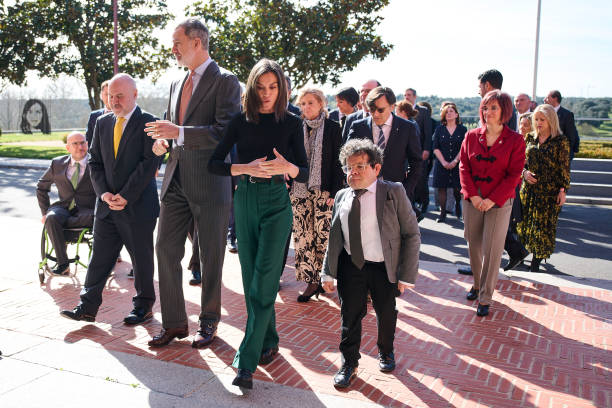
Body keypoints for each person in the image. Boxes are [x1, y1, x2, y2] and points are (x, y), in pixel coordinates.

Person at [208, 58, 308, 389]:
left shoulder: (293, 123)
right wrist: (244, 169)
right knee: (252, 278)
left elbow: (304, 173)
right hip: (245, 200)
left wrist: (287, 167)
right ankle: (269, 339)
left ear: (281, 89)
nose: (267, 93)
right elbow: (215, 164)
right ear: (252, 88)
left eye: (273, 87)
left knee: (264, 280)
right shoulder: (240, 121)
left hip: (277, 203)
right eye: (261, 87)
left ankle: (245, 362)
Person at [146, 19, 241, 349]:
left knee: (212, 257)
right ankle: (174, 323)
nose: (172, 48)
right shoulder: (175, 83)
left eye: (177, 42)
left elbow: (224, 132)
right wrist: (164, 143)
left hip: (211, 183)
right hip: (175, 182)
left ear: (198, 42)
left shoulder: (226, 81)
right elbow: (172, 132)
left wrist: (179, 134)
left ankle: (209, 321)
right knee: (165, 249)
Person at [60, 73, 160, 325]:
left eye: (120, 96)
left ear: (134, 95)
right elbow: (94, 162)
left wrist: (125, 196)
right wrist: (104, 194)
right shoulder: (103, 123)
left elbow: (149, 164)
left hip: (137, 207)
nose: (114, 101)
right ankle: (87, 306)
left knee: (141, 259)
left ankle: (143, 307)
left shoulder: (150, 123)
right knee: (99, 259)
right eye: (110, 96)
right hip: (105, 207)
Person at [321, 138, 420, 389]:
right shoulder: (342, 195)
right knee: (350, 316)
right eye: (348, 167)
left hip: (382, 266)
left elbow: (411, 233)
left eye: (359, 166)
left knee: (386, 313)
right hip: (351, 266)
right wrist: (327, 272)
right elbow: (334, 238)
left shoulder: (393, 192)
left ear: (376, 168)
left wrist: (406, 275)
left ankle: (386, 351)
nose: (352, 172)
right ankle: (349, 363)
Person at [459, 90, 525, 317]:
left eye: (493, 108)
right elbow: (464, 167)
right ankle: (477, 284)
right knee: (474, 245)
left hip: (499, 202)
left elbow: (514, 175)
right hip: (472, 200)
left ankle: (485, 296)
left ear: (504, 111)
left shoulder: (516, 140)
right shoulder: (470, 136)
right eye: (485, 108)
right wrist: (474, 196)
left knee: (493, 250)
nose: (488, 112)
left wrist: (491, 200)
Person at [292, 87, 343, 302]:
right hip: (299, 190)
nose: (306, 107)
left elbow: (338, 162)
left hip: (324, 191)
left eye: (310, 103)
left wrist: (334, 190)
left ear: (321, 104)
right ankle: (311, 282)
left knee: (324, 238)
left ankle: (327, 279)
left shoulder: (332, 127)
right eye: (302, 103)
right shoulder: (296, 127)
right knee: (304, 237)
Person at [346, 86, 422, 203]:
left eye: (380, 110)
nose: (375, 114)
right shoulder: (358, 126)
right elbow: (346, 158)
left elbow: (416, 162)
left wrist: (405, 190)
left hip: (394, 194)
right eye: (372, 109)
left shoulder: (407, 128)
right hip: (362, 192)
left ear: (392, 106)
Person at [517, 104, 570, 272]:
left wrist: (563, 190)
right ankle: (520, 256)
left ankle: (536, 262)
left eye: (542, 119)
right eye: (536, 119)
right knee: (524, 225)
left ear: (551, 120)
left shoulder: (561, 141)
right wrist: (524, 173)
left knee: (543, 228)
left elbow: (564, 168)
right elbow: (520, 163)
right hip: (529, 190)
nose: (538, 123)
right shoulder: (530, 138)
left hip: (549, 192)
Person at [36, 132, 95, 275]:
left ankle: (100, 264)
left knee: (99, 217)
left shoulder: (96, 163)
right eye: (75, 144)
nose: (80, 147)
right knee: (51, 218)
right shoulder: (57, 164)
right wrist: (45, 212)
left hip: (88, 209)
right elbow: (41, 187)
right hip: (64, 207)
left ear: (87, 144)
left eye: (82, 143)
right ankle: (63, 264)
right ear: (68, 147)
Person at [502, 112, 533, 271]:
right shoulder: (515, 140)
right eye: (521, 125)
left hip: (521, 188)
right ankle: (517, 251)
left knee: (505, 224)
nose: (522, 128)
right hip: (512, 185)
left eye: (526, 125)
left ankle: (518, 251)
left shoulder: (532, 144)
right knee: (504, 225)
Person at [432, 103, 467, 223]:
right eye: (446, 112)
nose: (449, 113)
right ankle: (442, 213)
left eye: (451, 111)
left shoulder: (463, 129)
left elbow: (464, 147)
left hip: (457, 163)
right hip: (442, 163)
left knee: (457, 188)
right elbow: (435, 148)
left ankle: (458, 206)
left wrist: (455, 161)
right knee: (442, 188)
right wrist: (444, 162)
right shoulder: (439, 129)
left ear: (456, 114)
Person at [342, 79, 380, 143]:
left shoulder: (386, 116)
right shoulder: (351, 119)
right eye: (361, 91)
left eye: (368, 91)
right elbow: (344, 146)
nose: (363, 94)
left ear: (379, 93)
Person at [544, 90, 579, 161]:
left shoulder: (567, 115)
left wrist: (567, 152)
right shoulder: (542, 113)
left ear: (555, 98)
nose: (544, 100)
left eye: (547, 97)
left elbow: (571, 135)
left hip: (561, 154)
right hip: (545, 153)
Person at [85, 80, 111, 145]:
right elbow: (88, 140)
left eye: (112, 94)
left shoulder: (124, 116)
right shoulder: (94, 116)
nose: (109, 97)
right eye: (106, 94)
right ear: (101, 96)